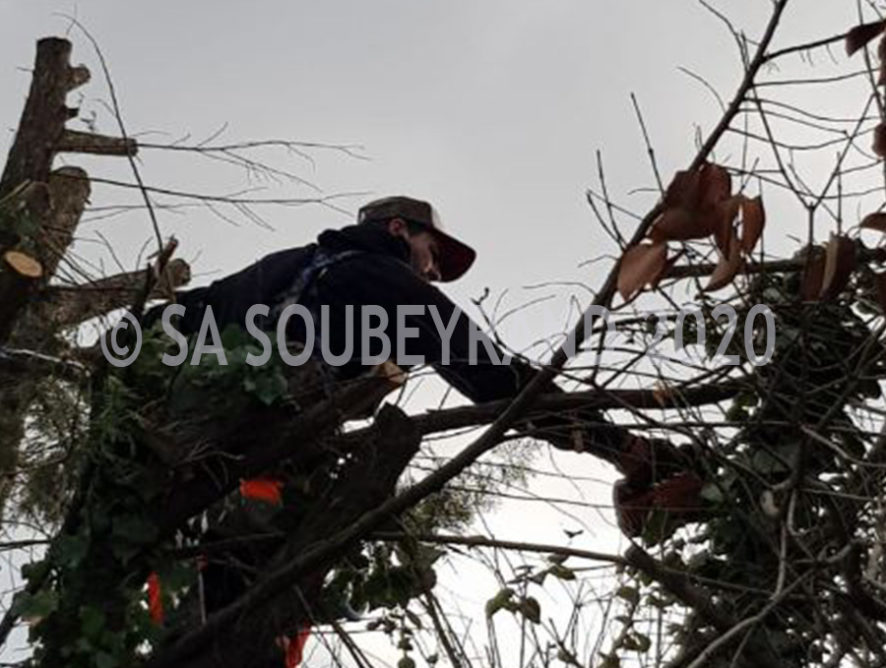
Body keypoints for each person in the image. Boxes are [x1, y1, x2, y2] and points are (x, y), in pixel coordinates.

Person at [147, 195, 700, 533]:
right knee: (261, 578)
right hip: (257, 470)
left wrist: (121, 345)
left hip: (185, 460)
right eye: (433, 254)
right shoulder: (388, 283)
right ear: (398, 230)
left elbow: (185, 314)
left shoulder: (279, 267)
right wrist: (621, 447)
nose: (433, 273)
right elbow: (492, 376)